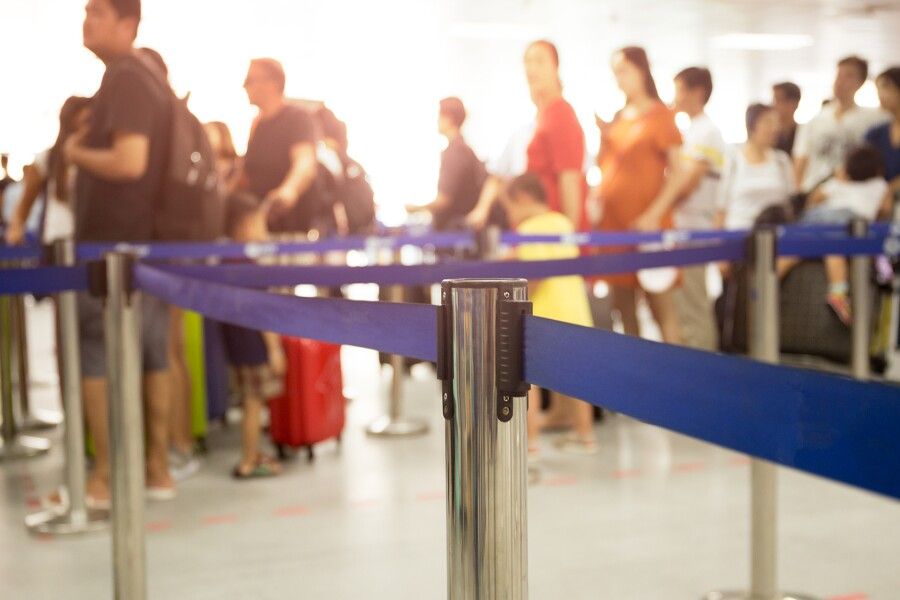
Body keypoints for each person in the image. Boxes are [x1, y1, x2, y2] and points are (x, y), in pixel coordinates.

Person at [64, 0, 174, 505]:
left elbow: (130, 162)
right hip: (144, 247)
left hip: (114, 247)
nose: (87, 20)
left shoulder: (127, 79)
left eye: (97, 12)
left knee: (94, 354)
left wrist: (76, 153)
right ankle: (156, 468)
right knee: (154, 354)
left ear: (127, 24)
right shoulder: (146, 79)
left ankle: (104, 476)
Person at [500, 173, 597, 455]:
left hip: (543, 314)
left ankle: (530, 443)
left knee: (530, 380)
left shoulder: (529, 229)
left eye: (510, 208)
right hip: (575, 311)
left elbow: (537, 275)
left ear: (523, 198)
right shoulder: (563, 221)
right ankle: (586, 437)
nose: (511, 217)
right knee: (579, 380)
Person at [596, 46, 683, 344]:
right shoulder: (619, 118)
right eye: (615, 73)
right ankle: (635, 379)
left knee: (662, 310)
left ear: (641, 70)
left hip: (649, 227)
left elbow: (678, 173)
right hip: (616, 227)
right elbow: (607, 169)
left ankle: (677, 380)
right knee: (625, 311)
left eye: (623, 71)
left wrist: (654, 214)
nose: (619, 79)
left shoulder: (660, 116)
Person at [794, 146, 888, 323]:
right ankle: (838, 293)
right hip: (847, 223)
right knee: (834, 249)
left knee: (793, 251)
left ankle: (765, 288)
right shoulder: (879, 185)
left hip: (819, 221)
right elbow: (883, 210)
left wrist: (838, 178)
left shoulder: (838, 183)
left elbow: (813, 200)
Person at [670, 67, 726, 351]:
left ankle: (704, 366)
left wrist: (656, 208)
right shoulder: (691, 131)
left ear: (697, 92)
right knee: (681, 306)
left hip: (695, 230)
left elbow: (687, 183)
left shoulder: (708, 132)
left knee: (693, 304)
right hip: (681, 230)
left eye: (679, 90)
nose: (675, 98)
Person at [240, 58, 323, 234]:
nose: (244, 86)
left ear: (272, 83)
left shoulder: (298, 118)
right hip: (264, 229)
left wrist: (289, 190)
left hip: (296, 229)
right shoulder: (258, 126)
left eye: (249, 80)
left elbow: (305, 162)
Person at [794, 56, 890, 192]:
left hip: (853, 193)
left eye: (849, 76)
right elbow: (800, 160)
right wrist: (799, 194)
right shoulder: (815, 120)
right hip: (815, 191)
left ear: (860, 82)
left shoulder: (873, 120)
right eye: (839, 75)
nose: (841, 81)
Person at [4, 96, 90, 246]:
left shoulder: (97, 158)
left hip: (88, 241)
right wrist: (15, 230)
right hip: (56, 243)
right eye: (81, 123)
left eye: (89, 123)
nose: (85, 130)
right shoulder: (48, 159)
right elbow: (24, 205)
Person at [408, 97, 487, 230]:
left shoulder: (454, 153)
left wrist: (415, 208)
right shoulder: (465, 149)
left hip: (455, 234)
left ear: (449, 118)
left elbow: (444, 199)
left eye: (439, 116)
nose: (437, 121)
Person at [717, 104, 795, 232]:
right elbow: (721, 209)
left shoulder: (782, 161)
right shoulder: (734, 160)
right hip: (739, 236)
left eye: (776, 123)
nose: (775, 128)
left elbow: (789, 205)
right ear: (751, 126)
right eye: (768, 122)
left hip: (774, 238)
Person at [865, 67, 900, 207]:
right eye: (878, 89)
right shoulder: (875, 134)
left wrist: (891, 190)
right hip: (878, 206)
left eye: (886, 87)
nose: (880, 94)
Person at [772, 82, 802, 155]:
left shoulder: (802, 134)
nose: (773, 105)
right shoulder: (769, 134)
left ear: (794, 103)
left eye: (778, 100)